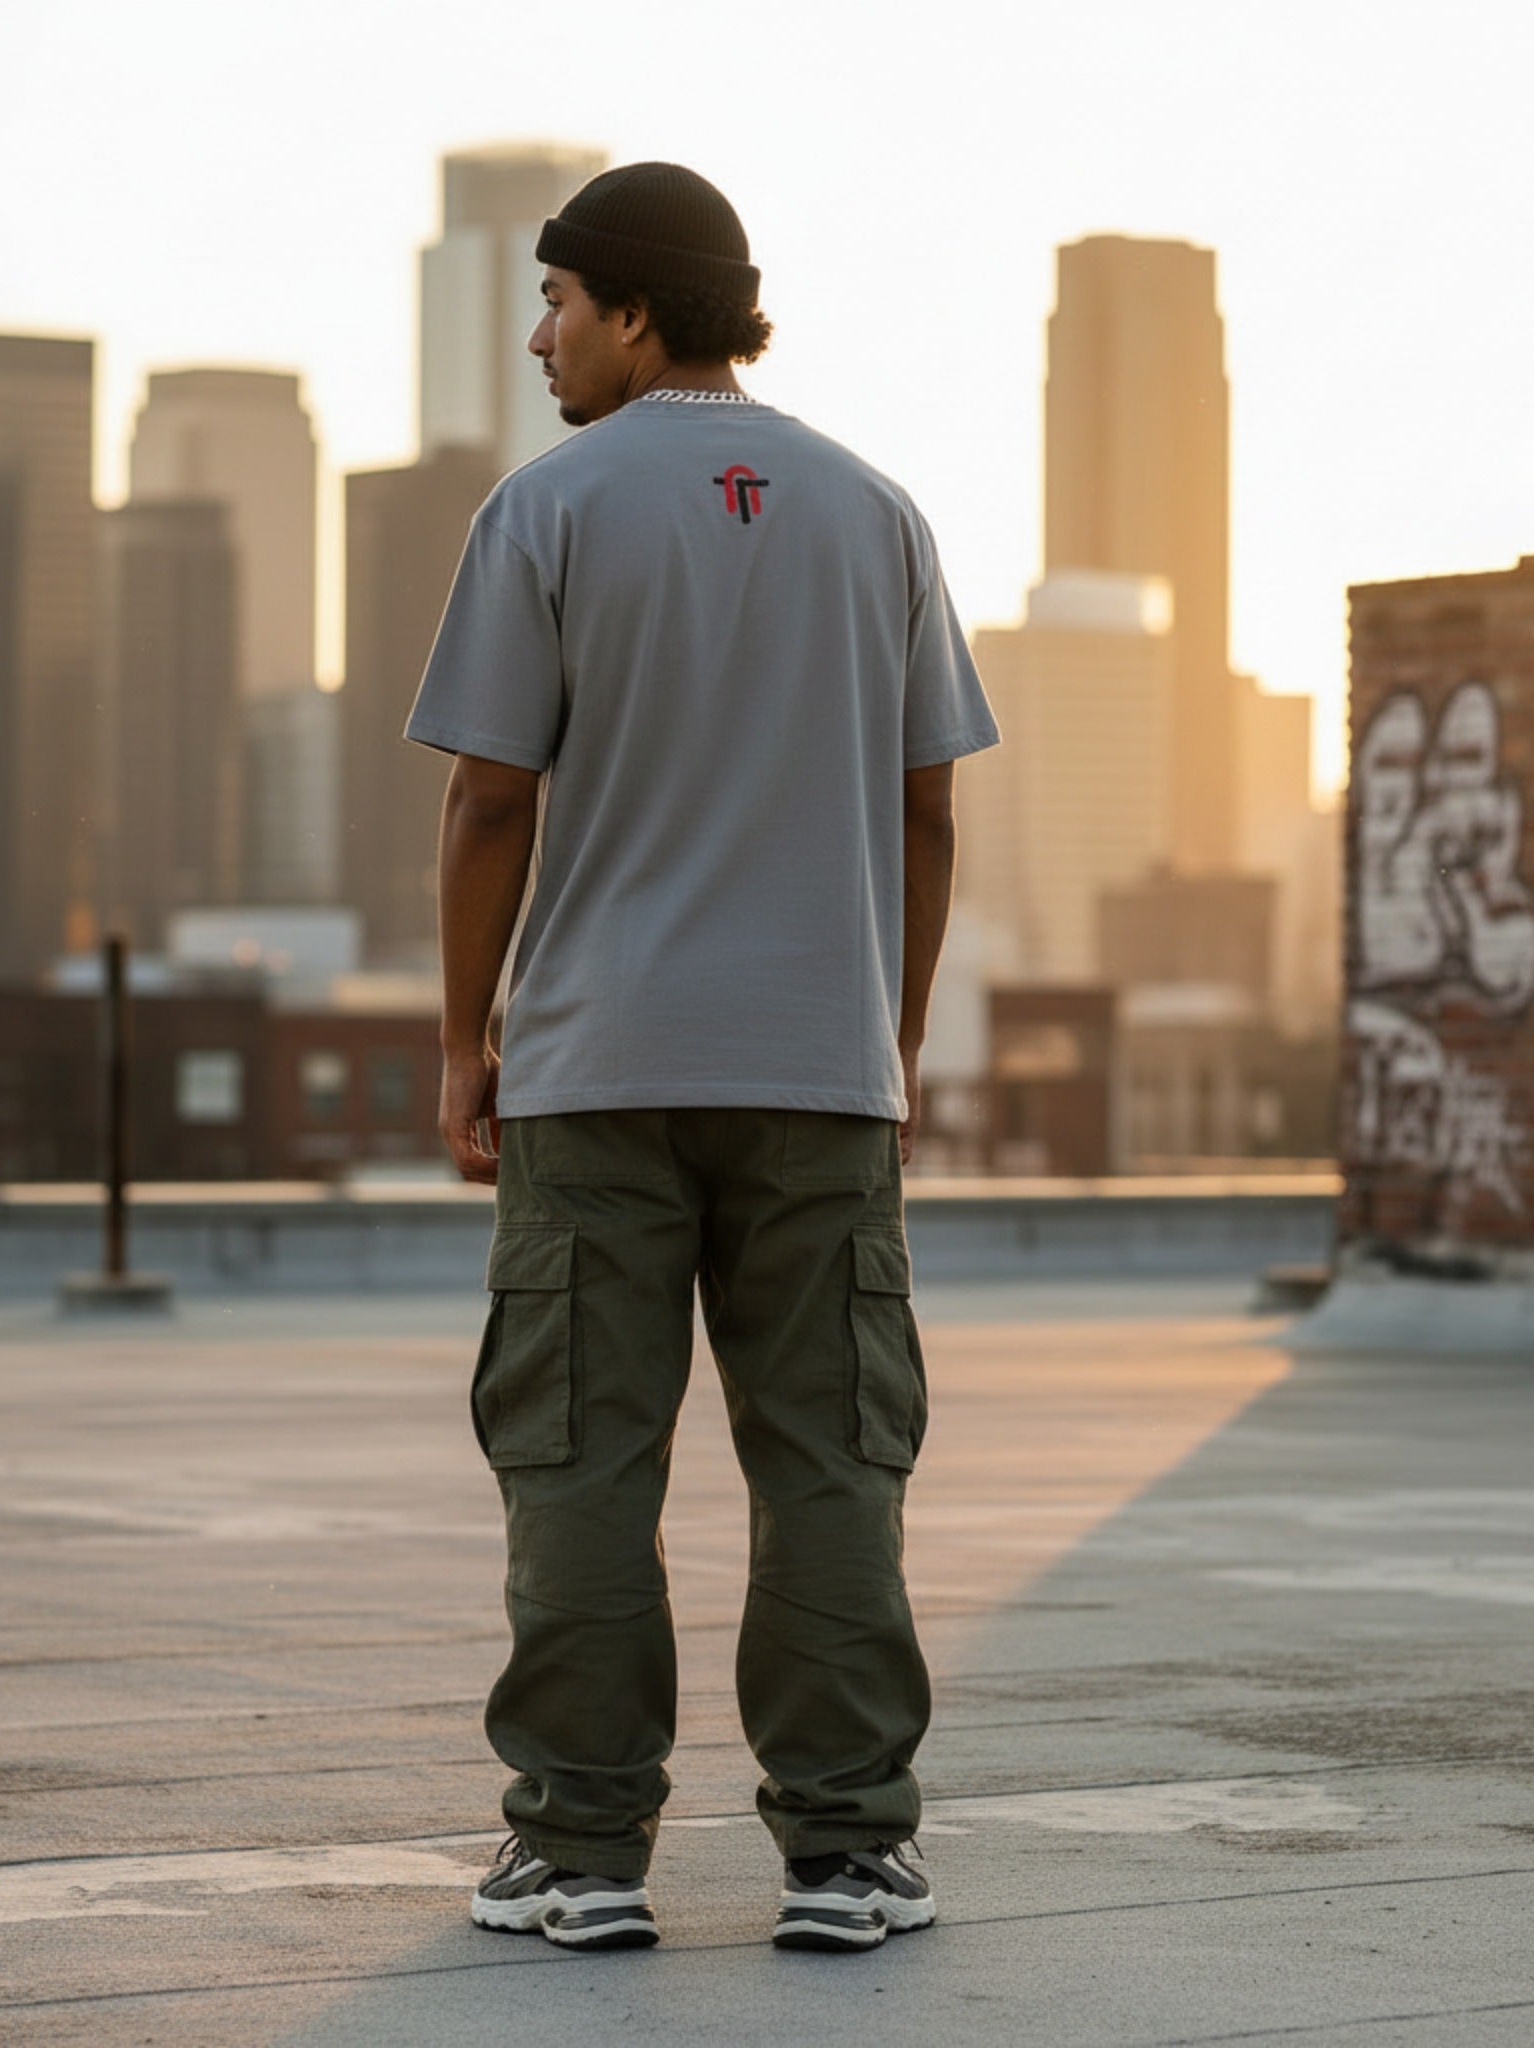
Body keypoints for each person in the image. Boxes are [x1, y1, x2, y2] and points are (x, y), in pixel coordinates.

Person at [404, 160, 999, 1954]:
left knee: (581, 1455)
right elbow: (928, 815)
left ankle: (581, 1855)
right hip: (820, 1073)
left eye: (560, 302)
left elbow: (489, 799)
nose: (539, 337)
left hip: (597, 1067)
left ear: (637, 311)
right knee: (832, 1457)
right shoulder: (875, 511)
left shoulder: (550, 507)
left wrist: (461, 1044)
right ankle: (843, 1856)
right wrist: (883, 1037)